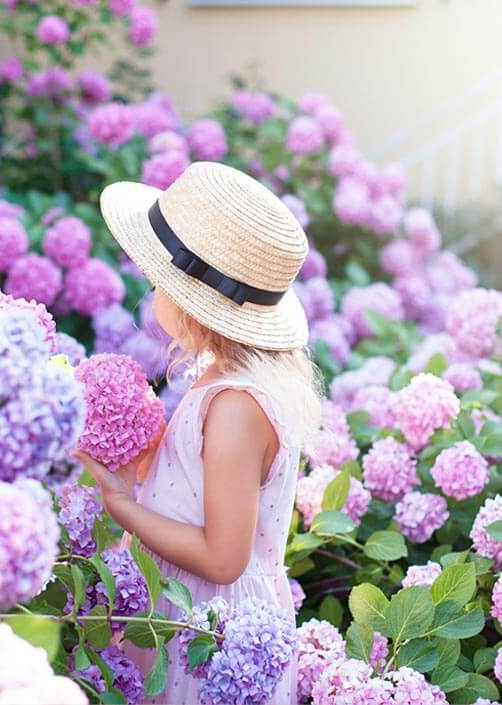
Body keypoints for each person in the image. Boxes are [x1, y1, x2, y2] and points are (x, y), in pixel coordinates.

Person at [73, 161, 323, 704]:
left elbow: (223, 558)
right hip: (186, 610)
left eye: (157, 274)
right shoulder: (223, 378)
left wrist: (119, 503)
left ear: (189, 297)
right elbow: (193, 489)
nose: (149, 284)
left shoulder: (235, 405)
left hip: (204, 638)